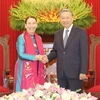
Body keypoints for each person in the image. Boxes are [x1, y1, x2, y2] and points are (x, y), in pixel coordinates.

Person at [42, 9, 88, 92]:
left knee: (76, 97)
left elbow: (84, 53)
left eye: (67, 18)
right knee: (62, 96)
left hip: (76, 73)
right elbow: (55, 51)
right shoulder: (58, 33)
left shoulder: (80, 32)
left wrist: (83, 71)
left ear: (72, 18)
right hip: (61, 73)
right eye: (63, 18)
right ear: (60, 19)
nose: (65, 20)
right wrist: (48, 58)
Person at [14, 16, 45, 92]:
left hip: (37, 67)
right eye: (29, 23)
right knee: (25, 90)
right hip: (24, 67)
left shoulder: (39, 38)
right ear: (25, 25)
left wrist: (43, 58)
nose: (31, 26)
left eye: (33, 23)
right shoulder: (21, 38)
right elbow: (21, 55)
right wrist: (36, 57)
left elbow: (40, 53)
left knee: (37, 90)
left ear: (36, 25)